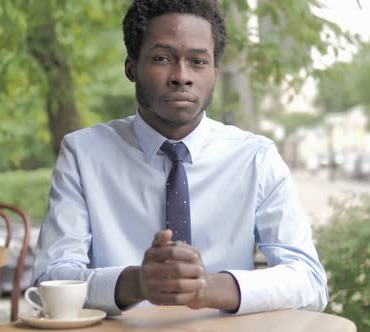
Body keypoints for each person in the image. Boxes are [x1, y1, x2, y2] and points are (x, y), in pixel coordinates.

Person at [32, 0, 328, 316]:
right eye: (162, 58)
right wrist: (137, 283)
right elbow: (49, 281)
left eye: (198, 62)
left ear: (215, 72)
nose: (181, 76)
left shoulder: (256, 158)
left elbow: (310, 282)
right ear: (131, 67)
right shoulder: (83, 154)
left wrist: (208, 288)